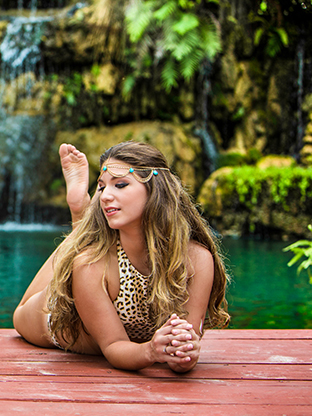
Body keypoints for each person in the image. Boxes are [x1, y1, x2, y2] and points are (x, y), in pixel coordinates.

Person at [13, 141, 229, 372]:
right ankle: (80, 217)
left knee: (85, 248)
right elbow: (114, 346)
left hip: (113, 308)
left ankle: (82, 225)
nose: (105, 196)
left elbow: (186, 343)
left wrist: (185, 351)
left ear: (156, 189)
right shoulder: (92, 265)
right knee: (22, 312)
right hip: (61, 319)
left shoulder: (197, 259)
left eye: (121, 185)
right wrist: (150, 351)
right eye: (102, 187)